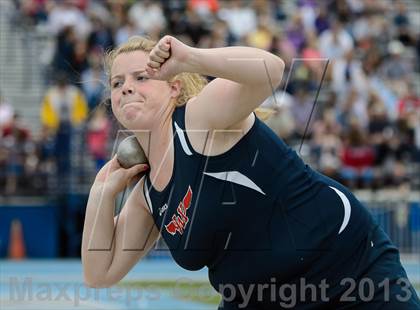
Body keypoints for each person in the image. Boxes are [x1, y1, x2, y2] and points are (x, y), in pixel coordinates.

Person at [81, 35, 420, 309]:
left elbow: (271, 69)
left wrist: (192, 59)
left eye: (142, 77)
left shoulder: (200, 120)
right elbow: (100, 273)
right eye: (116, 83)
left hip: (348, 273)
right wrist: (101, 193)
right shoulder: (146, 196)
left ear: (174, 87)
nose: (125, 88)